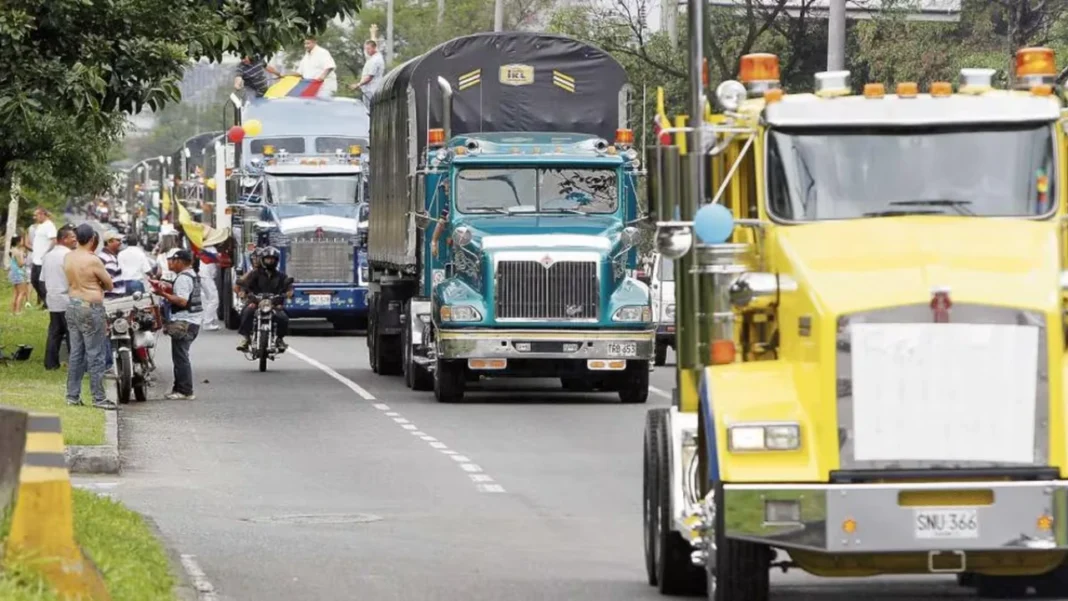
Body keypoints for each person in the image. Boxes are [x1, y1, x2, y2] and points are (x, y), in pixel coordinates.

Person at [64, 223, 115, 409]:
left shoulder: (68, 257)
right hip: (90, 307)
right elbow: (109, 285)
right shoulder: (93, 260)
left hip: (73, 305)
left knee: (76, 353)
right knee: (96, 354)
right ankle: (98, 397)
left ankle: (72, 396)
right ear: (92, 239)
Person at [152, 249, 202, 400]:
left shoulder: (183, 278)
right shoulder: (191, 275)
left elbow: (182, 300)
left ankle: (185, 390)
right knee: (180, 356)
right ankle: (179, 388)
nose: (171, 263)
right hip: (193, 321)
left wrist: (163, 295)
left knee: (180, 357)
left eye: (173, 260)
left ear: (180, 261)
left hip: (184, 322)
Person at [236, 246, 293, 352]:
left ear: (276, 261)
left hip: (274, 304)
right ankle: (246, 339)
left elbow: (288, 287)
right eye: (267, 259)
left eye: (272, 259)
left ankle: (279, 339)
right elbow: (245, 285)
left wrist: (289, 293)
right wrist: (243, 292)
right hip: (256, 302)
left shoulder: (281, 276)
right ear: (263, 260)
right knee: (247, 312)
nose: (270, 261)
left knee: (283, 317)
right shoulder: (255, 274)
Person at [42, 226, 77, 370]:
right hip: (67, 297)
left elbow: (42, 279)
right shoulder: (70, 256)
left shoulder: (48, 256)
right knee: (72, 332)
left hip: (52, 297)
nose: (75, 240)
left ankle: (50, 363)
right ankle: (75, 364)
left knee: (55, 332)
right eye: (72, 237)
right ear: (64, 239)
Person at [30, 207, 57, 307]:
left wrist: (46, 253)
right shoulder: (41, 226)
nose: (35, 217)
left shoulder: (49, 225)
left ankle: (48, 304)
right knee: (34, 281)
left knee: (42, 283)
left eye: (36, 215)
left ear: (42, 215)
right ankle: (44, 301)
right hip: (36, 259)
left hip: (43, 260)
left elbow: (54, 241)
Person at [7, 234, 29, 314]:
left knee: (16, 292)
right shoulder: (18, 251)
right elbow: (20, 264)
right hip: (19, 273)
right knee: (22, 292)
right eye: (22, 240)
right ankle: (17, 311)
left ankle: (13, 310)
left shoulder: (12, 249)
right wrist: (24, 258)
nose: (23, 242)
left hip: (13, 273)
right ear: (18, 241)